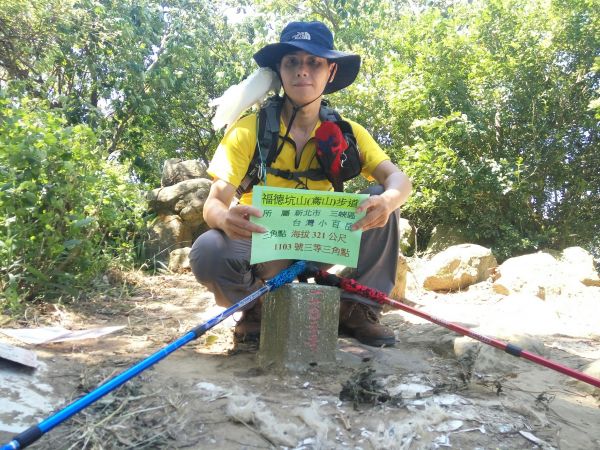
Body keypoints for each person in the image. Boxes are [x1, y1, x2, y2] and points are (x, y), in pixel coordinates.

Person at [189, 21, 412, 347]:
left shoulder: (349, 132)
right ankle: (258, 308)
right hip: (264, 247)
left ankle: (357, 310)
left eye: (314, 62)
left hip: (325, 242)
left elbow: (398, 179)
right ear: (280, 70)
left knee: (381, 197)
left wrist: (390, 201)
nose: (302, 71)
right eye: (292, 61)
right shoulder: (249, 130)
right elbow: (213, 203)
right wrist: (224, 218)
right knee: (208, 250)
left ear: (331, 72)